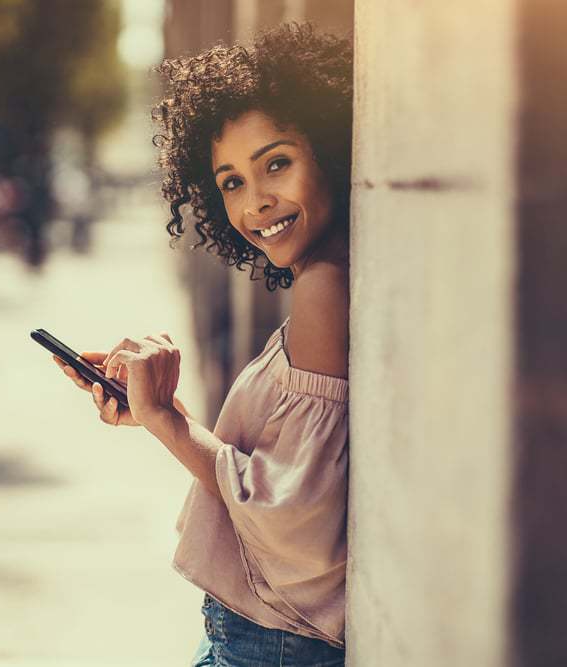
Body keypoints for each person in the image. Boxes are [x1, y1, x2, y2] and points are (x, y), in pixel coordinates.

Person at [52, 22, 352, 666]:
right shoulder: (326, 275)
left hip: (275, 643)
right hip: (263, 636)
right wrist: (166, 410)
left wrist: (164, 423)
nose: (256, 202)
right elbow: (277, 474)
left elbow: (296, 522)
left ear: (329, 150)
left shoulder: (325, 287)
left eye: (277, 162)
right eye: (231, 182)